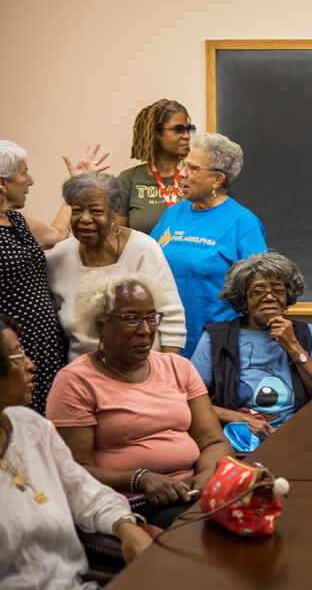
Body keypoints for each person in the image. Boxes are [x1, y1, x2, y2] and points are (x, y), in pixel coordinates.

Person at [45, 273, 233, 529]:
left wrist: (207, 475)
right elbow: (74, 469)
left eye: (151, 317)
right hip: (132, 501)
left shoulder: (179, 367)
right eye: (132, 319)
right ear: (100, 324)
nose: (146, 330)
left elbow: (213, 441)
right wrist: (140, 479)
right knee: (206, 531)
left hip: (193, 490)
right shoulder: (76, 381)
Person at [0, 313, 152, 588]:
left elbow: (86, 494)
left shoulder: (30, 427)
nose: (30, 365)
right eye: (17, 356)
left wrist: (126, 527)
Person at [1, 140, 107, 412]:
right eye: (24, 173)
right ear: (3, 183)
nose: (31, 180)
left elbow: (57, 234)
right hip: (8, 350)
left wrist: (77, 183)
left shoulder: (17, 221)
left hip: (43, 343)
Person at [191, 253, 312, 441]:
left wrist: (294, 348)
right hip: (238, 441)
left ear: (288, 295)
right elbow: (191, 402)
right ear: (243, 298)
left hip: (298, 439)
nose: (269, 297)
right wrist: (241, 419)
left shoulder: (306, 334)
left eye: (277, 290)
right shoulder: (215, 338)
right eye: (258, 291)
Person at [150, 132, 267, 358]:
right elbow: (149, 265)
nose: (182, 173)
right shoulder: (173, 214)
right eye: (184, 164)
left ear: (217, 179)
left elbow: (258, 289)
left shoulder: (243, 223)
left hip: (215, 344)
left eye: (193, 168)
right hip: (166, 340)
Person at [47, 173, 186, 360]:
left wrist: (168, 370)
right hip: (83, 375)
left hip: (144, 372)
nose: (85, 219)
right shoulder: (58, 256)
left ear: (115, 211)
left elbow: (171, 316)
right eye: (77, 210)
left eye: (96, 211)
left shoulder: (143, 249)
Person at [116, 99, 195, 235]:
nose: (187, 136)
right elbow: (118, 238)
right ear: (155, 133)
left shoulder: (197, 175)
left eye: (189, 129)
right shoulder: (128, 179)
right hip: (142, 256)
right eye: (179, 130)